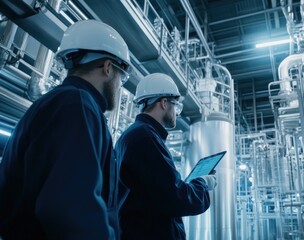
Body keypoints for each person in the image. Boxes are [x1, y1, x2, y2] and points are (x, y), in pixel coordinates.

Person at [0, 20, 131, 239]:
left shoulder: (64, 103)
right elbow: (71, 208)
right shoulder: (77, 106)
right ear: (108, 68)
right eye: (122, 78)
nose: (120, 87)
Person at [115, 73, 217, 240]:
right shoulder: (146, 138)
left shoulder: (131, 136)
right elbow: (175, 199)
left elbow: (157, 192)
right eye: (175, 105)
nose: (177, 112)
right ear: (163, 103)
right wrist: (203, 183)